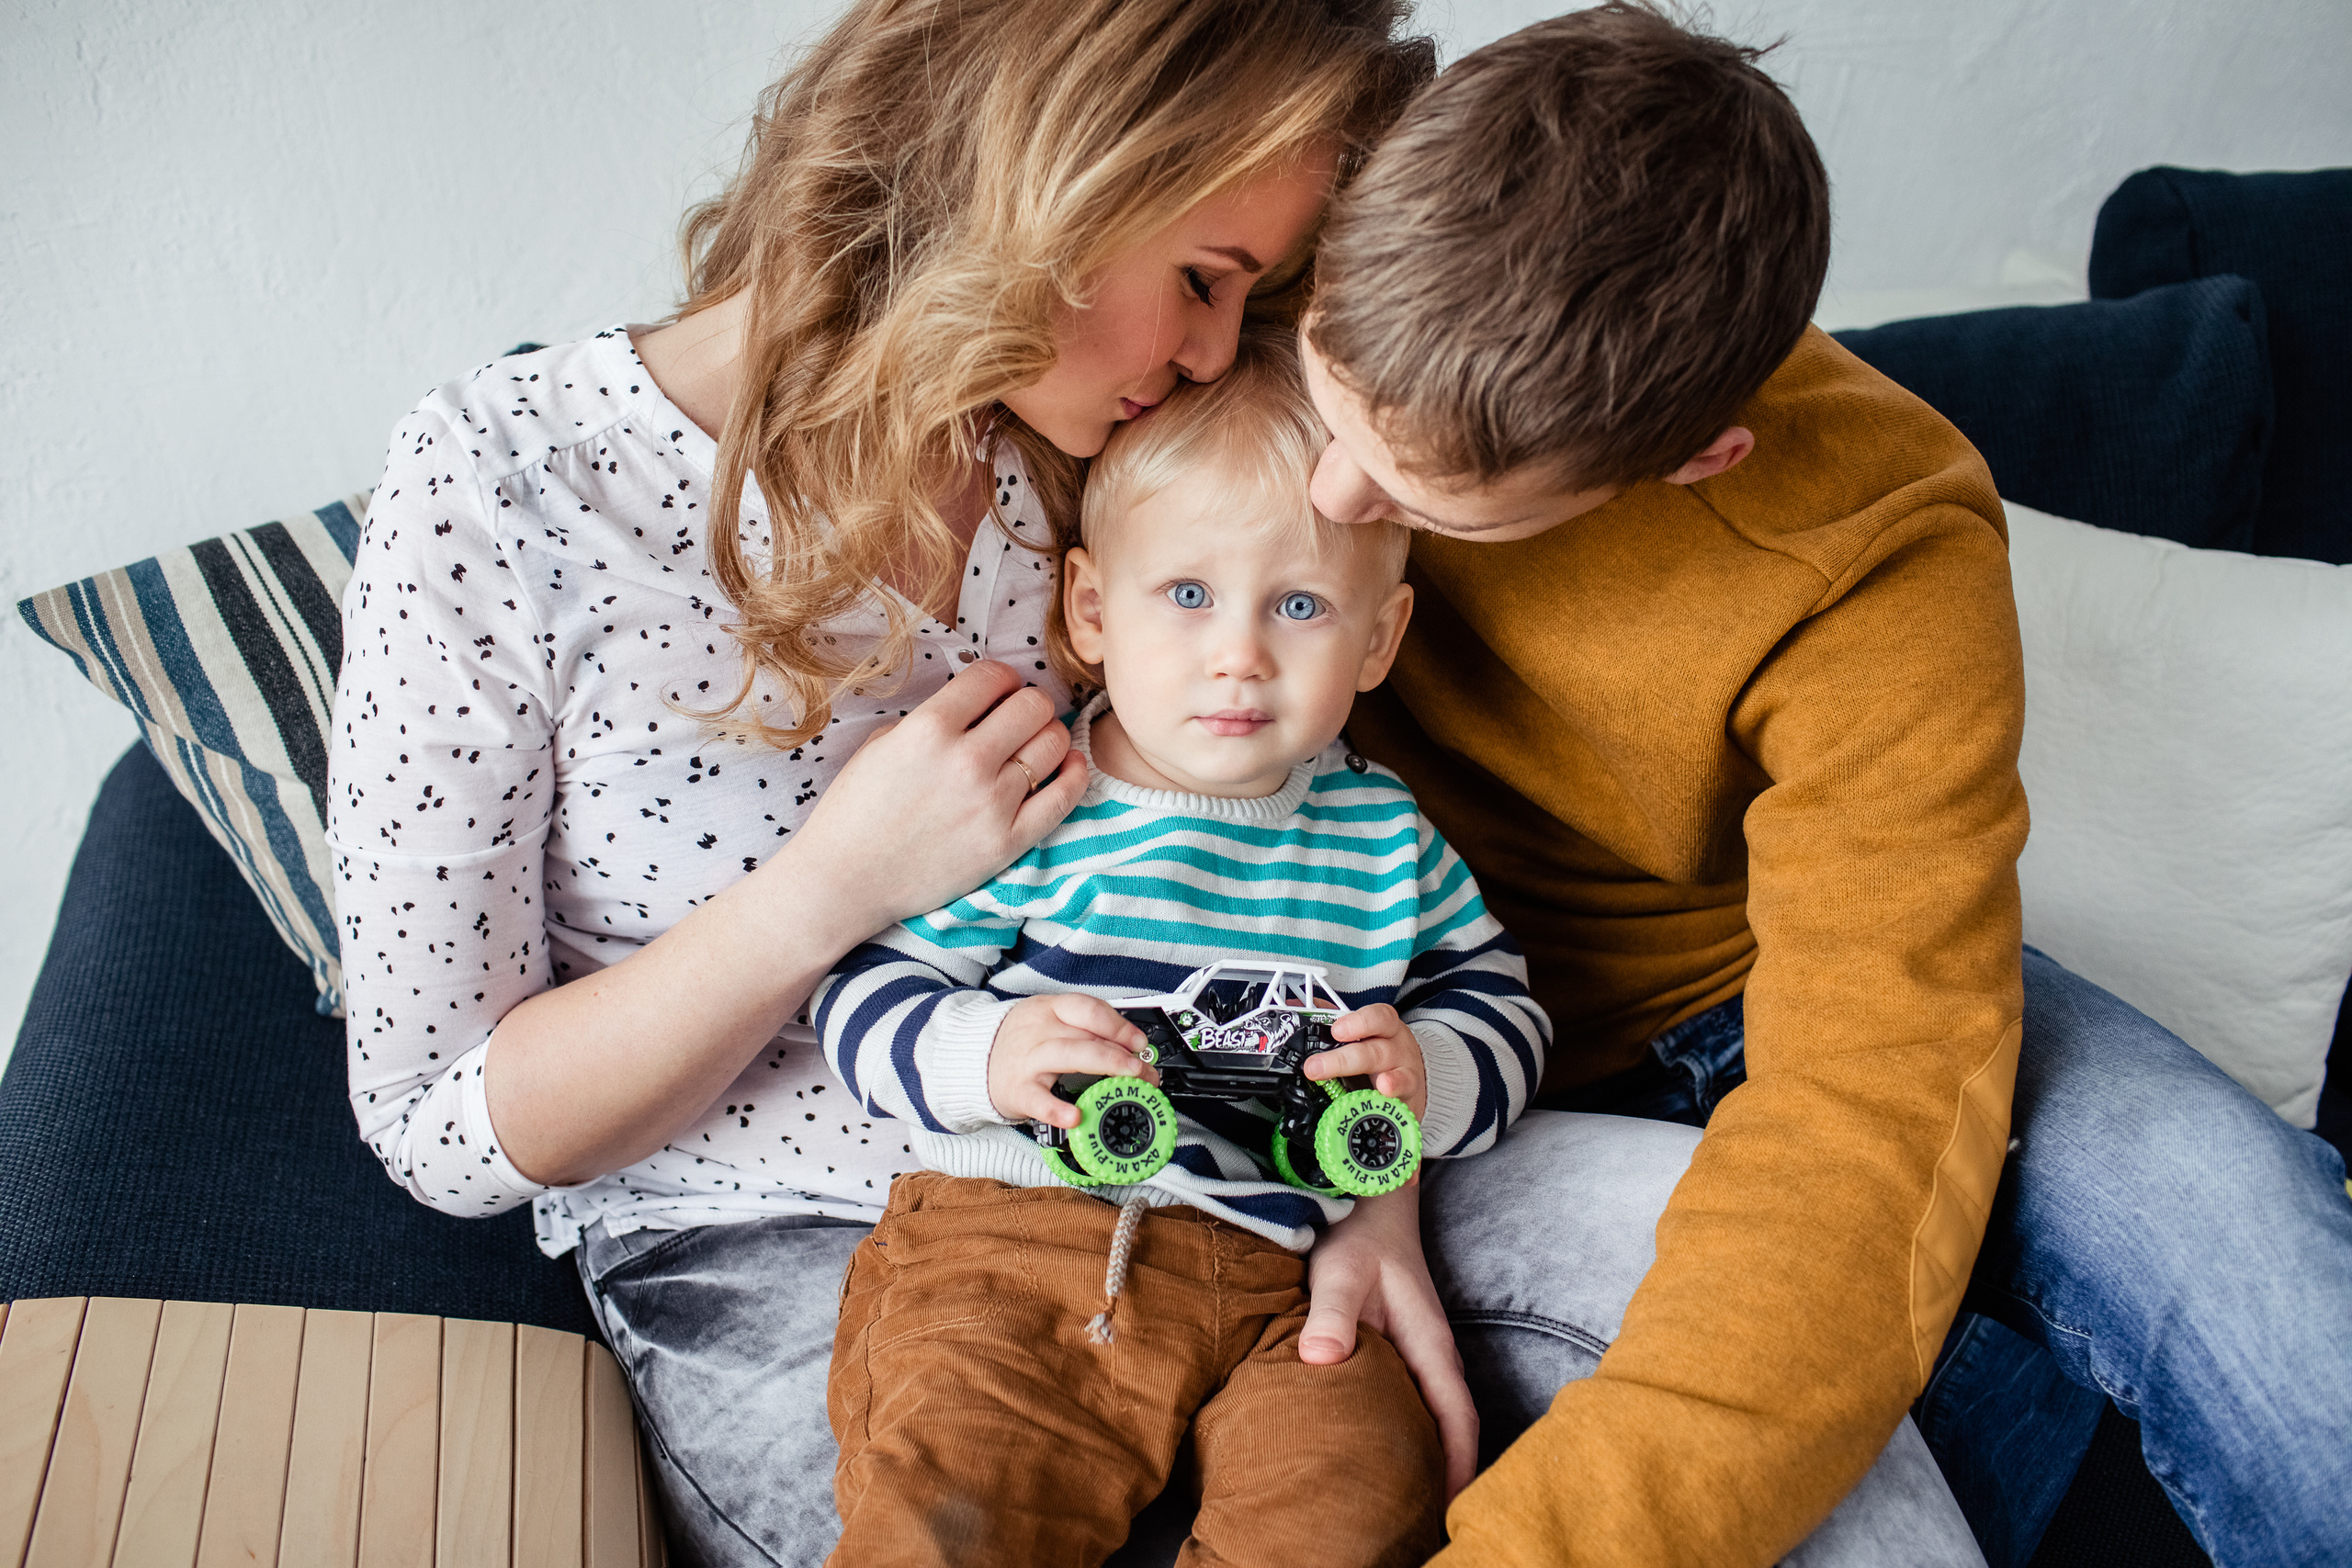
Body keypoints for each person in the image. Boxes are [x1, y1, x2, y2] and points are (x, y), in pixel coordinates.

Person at [1293, 6, 2352, 1566]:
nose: (1327, 500)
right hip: (1400, 1004)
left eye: (1425, 502)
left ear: (1698, 459)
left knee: (2239, 1229)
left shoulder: (1881, 544)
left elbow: (1864, 1118)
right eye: (1331, 414)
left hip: (1746, 977)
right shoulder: (1267, 271)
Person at [807, 342, 1548, 1566]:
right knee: (958, 1504)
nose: (1240, 655)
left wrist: (1434, 1073)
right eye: (1189, 596)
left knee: (1360, 1488)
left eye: (1299, 607)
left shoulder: (1383, 834)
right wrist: (990, 1051)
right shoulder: (1039, 799)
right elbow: (866, 990)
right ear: (1092, 611)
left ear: (1378, 640)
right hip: (1012, 1246)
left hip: (1285, 1277)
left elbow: (1498, 997)